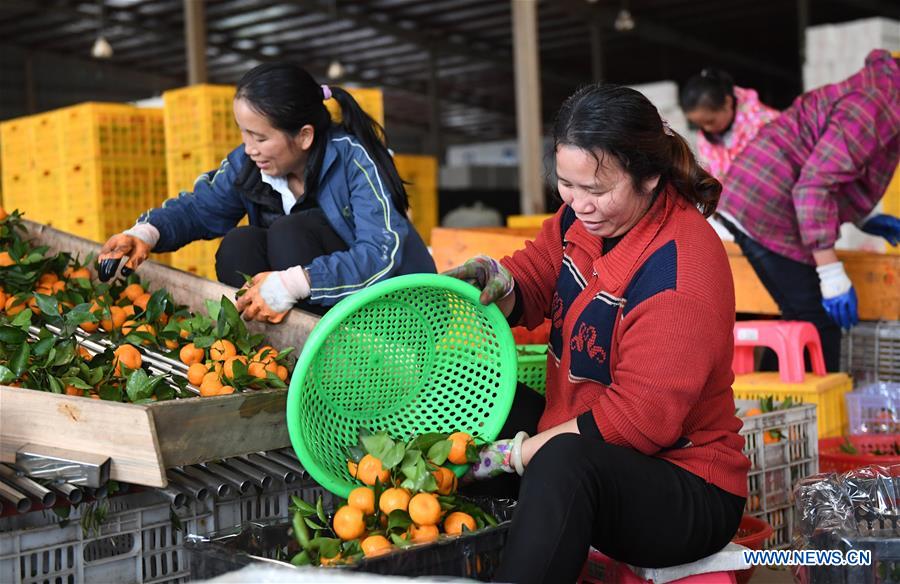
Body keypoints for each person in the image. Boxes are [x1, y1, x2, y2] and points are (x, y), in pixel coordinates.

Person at [445, 84, 749, 584]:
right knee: (467, 394)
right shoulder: (585, 219)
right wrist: (498, 280)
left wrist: (517, 454)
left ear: (649, 176)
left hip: (684, 487)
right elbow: (539, 274)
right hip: (579, 441)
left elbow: (638, 419)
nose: (580, 204)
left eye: (597, 190)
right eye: (567, 185)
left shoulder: (681, 270)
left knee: (561, 465)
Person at [98, 62, 435, 322]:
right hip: (321, 303)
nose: (249, 149)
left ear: (303, 136)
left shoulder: (354, 160)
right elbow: (200, 209)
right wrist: (145, 233)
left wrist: (293, 284)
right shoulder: (250, 166)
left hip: (397, 313)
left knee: (290, 231)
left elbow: (381, 253)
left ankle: (332, 353)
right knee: (239, 245)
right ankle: (279, 347)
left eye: (260, 138)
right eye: (244, 135)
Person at [717, 49, 900, 371]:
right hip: (765, 203)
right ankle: (804, 415)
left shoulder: (882, 90)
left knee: (802, 318)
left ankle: (774, 413)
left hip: (764, 196)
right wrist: (830, 273)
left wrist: (864, 216)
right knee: (818, 324)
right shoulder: (878, 104)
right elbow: (813, 186)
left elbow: (833, 160)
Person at [679, 68, 780, 180]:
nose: (706, 129)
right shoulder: (705, 138)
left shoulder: (767, 125)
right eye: (699, 125)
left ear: (728, 102)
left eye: (710, 121)